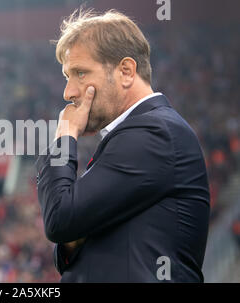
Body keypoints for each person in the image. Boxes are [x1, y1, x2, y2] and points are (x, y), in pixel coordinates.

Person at [35, 9, 211, 282]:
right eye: (67, 76)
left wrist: (65, 133)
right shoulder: (137, 135)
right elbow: (70, 235)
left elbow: (60, 218)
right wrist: (73, 230)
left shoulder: (154, 132)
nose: (68, 92)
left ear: (126, 71)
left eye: (80, 73)